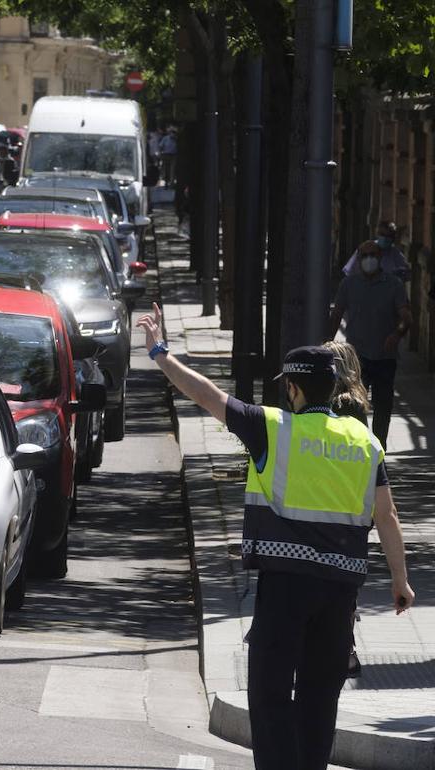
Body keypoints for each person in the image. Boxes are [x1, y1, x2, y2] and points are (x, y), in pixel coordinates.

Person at [139, 305, 413, 770]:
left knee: (269, 694)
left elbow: (206, 395)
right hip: (340, 592)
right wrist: (400, 581)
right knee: (319, 697)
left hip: (285, 587)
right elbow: (386, 515)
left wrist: (162, 354)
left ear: (292, 387)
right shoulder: (364, 442)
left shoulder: (274, 427)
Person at [328, 240, 413, 447]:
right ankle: (360, 444)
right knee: (354, 404)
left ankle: (379, 446)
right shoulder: (349, 284)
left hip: (385, 357)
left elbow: (406, 316)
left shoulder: (393, 284)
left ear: (380, 257)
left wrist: (397, 334)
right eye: (364, 255)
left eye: (373, 255)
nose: (369, 259)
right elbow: (336, 314)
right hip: (356, 360)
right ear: (359, 258)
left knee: (383, 406)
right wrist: (328, 343)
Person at [324, 339, 371, 679]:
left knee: (333, 581)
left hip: (332, 501)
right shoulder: (355, 404)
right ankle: (343, 649)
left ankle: (342, 649)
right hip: (351, 506)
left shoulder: (341, 404)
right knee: (344, 581)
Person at [342, 220, 410, 281]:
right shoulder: (365, 249)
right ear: (377, 234)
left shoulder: (395, 253)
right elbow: (350, 273)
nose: (385, 238)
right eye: (382, 235)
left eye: (389, 236)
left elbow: (406, 274)